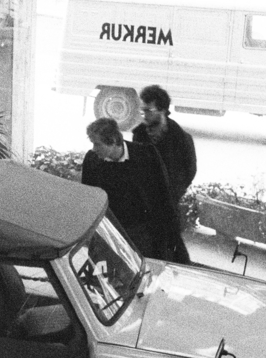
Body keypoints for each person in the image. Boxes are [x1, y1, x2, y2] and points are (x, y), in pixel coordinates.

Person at [80, 116, 179, 260]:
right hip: (108, 231)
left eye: (97, 144)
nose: (94, 149)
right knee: (100, 274)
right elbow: (88, 197)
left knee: (138, 274)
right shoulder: (91, 160)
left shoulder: (147, 155)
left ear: (113, 141)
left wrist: (170, 237)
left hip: (141, 233)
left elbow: (164, 195)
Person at [129, 84, 195, 263]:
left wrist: (172, 193)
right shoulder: (139, 135)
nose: (144, 115)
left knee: (173, 251)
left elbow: (189, 170)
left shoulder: (181, 138)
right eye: (142, 110)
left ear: (163, 110)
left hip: (168, 205)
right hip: (144, 206)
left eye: (148, 110)